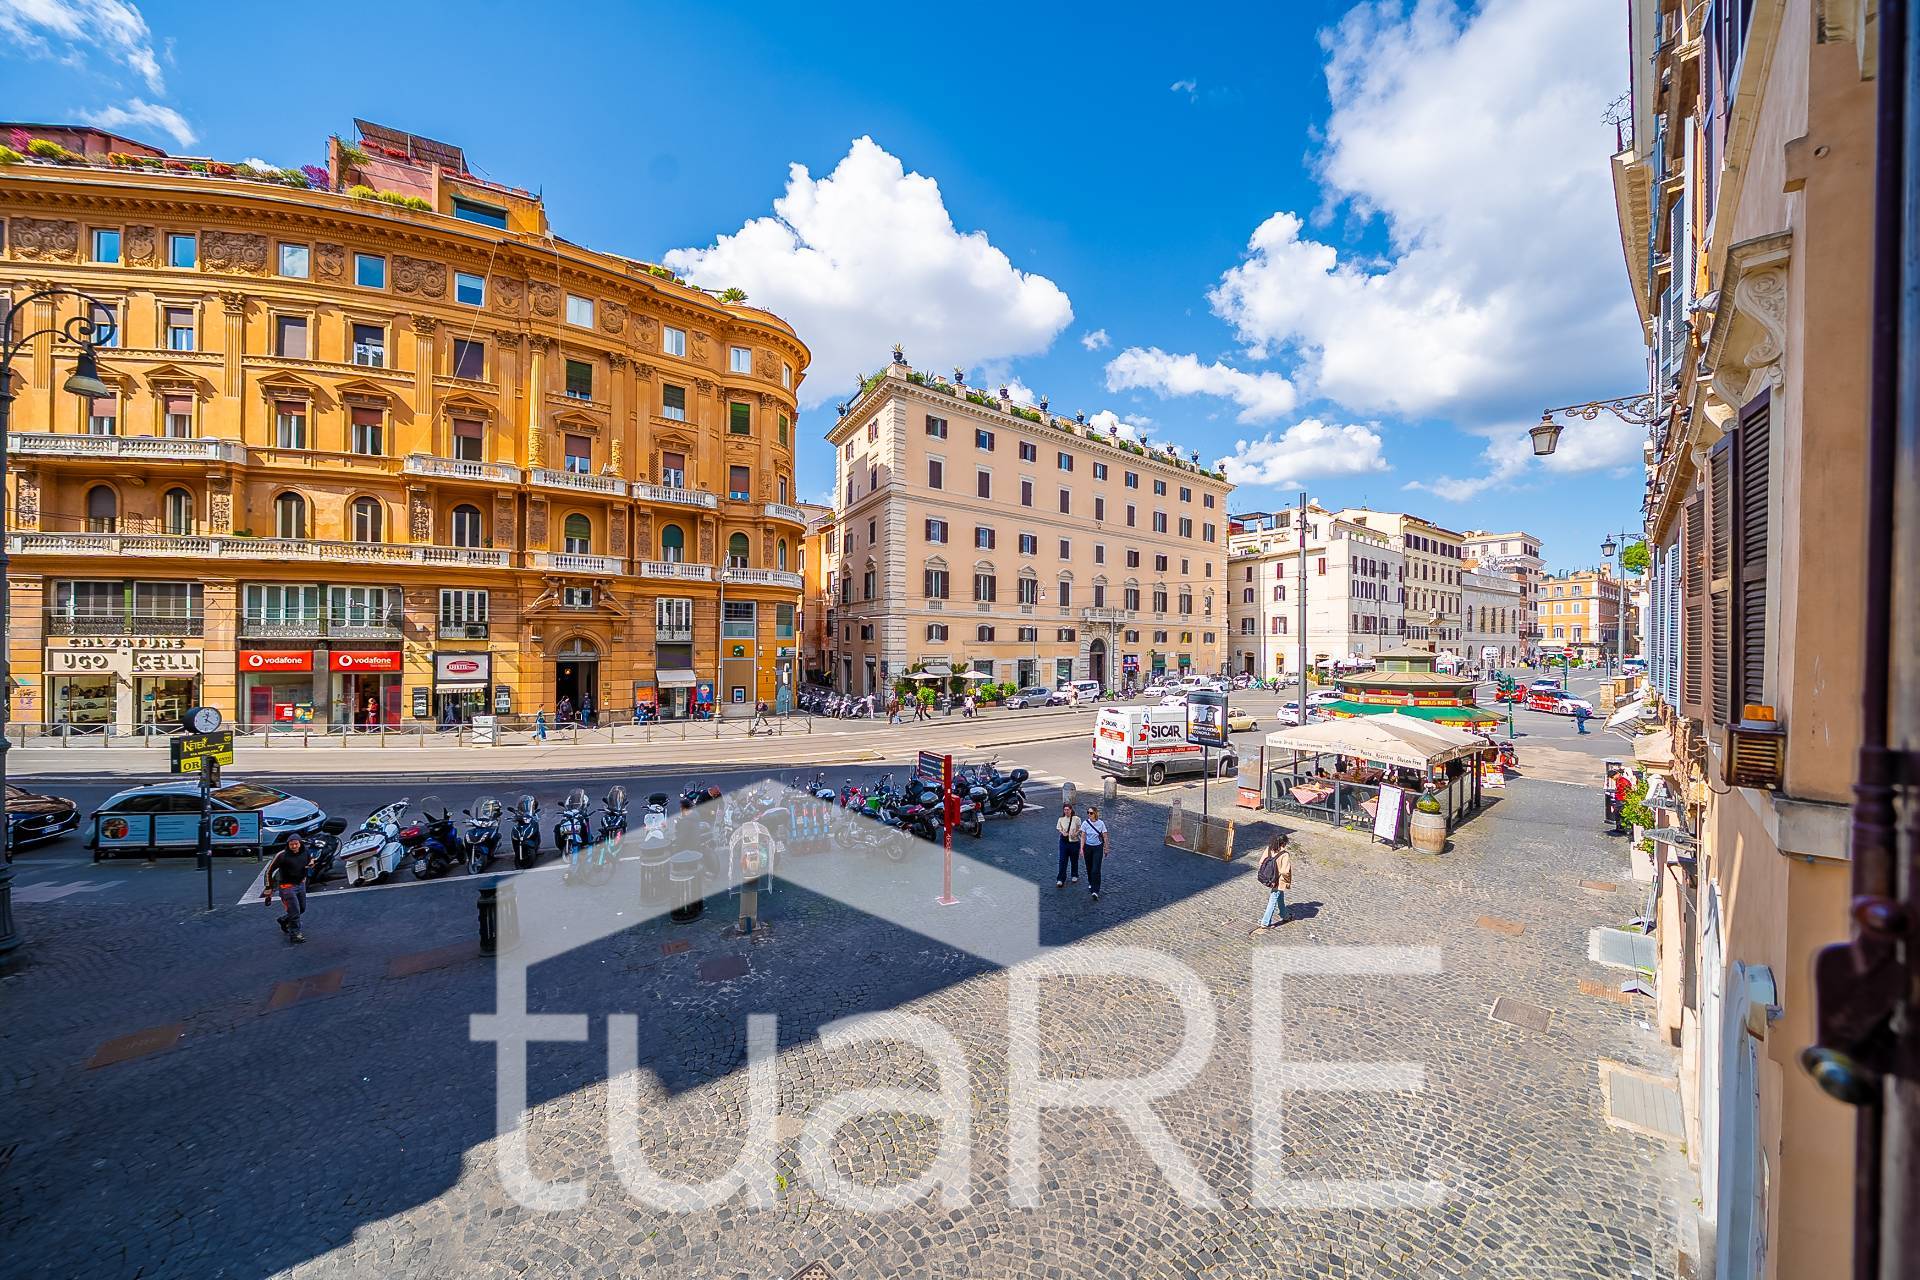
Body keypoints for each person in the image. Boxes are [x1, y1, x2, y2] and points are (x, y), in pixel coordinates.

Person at [263, 834, 313, 944]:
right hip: (287, 887)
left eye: (296, 844)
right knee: (294, 911)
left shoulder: (305, 852)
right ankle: (295, 934)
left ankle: (284, 919)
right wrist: (268, 887)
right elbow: (269, 871)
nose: (294, 846)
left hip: (300, 884)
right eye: (291, 844)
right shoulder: (282, 855)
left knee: (302, 909)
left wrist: (311, 864)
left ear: (300, 844)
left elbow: (310, 860)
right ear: (288, 845)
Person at [1252, 834, 1293, 933]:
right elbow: (1285, 871)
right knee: (1273, 899)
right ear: (1284, 843)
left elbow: (1261, 862)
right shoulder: (1284, 854)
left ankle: (1285, 916)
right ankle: (1265, 922)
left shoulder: (1269, 849)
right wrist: (1287, 880)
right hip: (1279, 881)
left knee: (1279, 897)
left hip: (1269, 879)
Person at [1081, 804, 1109, 901]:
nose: (1089, 814)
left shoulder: (1101, 823)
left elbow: (1105, 836)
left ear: (1095, 814)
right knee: (1089, 867)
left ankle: (1095, 890)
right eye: (1088, 813)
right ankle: (1091, 882)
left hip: (1098, 847)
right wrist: (1081, 848)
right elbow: (1083, 836)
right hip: (1088, 847)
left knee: (1095, 869)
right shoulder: (1085, 823)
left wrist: (1106, 848)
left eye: (1091, 813)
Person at [1055, 802, 1083, 888]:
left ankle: (1074, 875)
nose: (1066, 811)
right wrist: (1062, 832)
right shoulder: (1061, 819)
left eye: (1068, 810)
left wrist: (1076, 833)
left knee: (1074, 860)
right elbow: (1058, 828)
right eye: (1065, 810)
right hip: (1064, 842)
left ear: (1071, 810)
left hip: (1074, 842)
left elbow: (1081, 828)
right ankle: (1060, 879)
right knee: (1062, 861)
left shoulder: (1076, 819)